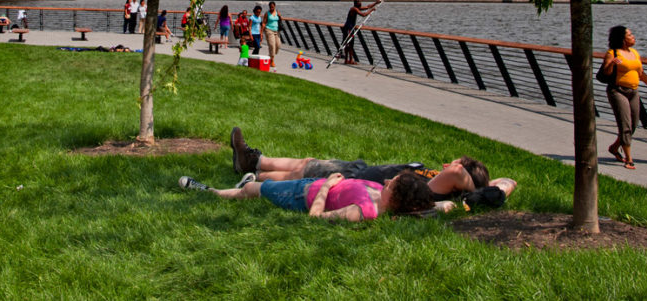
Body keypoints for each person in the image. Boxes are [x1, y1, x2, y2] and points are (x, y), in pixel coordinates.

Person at [229, 127, 491, 200]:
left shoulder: (437, 189)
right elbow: (507, 182)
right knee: (308, 163)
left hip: (356, 179)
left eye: (453, 164)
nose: (447, 165)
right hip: (360, 169)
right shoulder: (436, 179)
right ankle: (255, 163)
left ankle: (255, 174)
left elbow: (458, 172)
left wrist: (477, 189)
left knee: (303, 172)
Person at [178, 169, 434, 221]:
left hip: (301, 196)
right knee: (259, 183)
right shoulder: (381, 196)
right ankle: (246, 181)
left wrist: (326, 187)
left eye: (393, 183)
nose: (387, 181)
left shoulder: (363, 211)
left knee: (250, 191)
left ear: (397, 197)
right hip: (311, 184)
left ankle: (208, 191)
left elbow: (316, 217)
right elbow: (436, 204)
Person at [602, 25, 647, 169]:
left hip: (634, 92)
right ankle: (629, 158)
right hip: (617, 91)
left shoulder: (634, 53)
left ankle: (614, 147)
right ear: (622, 39)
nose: (633, 36)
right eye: (630, 34)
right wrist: (611, 64)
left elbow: (641, 74)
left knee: (634, 124)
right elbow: (606, 73)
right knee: (625, 124)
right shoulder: (613, 53)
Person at [340, 0, 380, 64]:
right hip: (348, 28)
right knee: (347, 44)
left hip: (351, 28)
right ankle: (346, 60)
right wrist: (371, 11)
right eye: (359, 3)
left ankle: (350, 60)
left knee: (351, 44)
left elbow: (367, 7)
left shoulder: (357, 8)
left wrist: (375, 3)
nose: (361, 4)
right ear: (356, 3)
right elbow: (363, 14)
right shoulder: (353, 9)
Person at [262, 1, 281, 68]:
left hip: (276, 31)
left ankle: (270, 55)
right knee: (272, 45)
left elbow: (280, 20)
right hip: (269, 30)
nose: (271, 8)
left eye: (272, 7)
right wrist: (261, 32)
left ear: (275, 6)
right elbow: (264, 23)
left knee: (278, 45)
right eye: (270, 7)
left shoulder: (277, 12)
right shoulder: (267, 14)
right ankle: (272, 61)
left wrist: (280, 16)